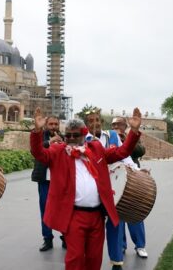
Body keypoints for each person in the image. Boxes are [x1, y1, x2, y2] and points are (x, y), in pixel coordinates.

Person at [30, 107, 143, 270]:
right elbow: (39, 153)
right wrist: (37, 131)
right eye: (68, 135)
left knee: (94, 258)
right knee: (75, 258)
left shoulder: (96, 148)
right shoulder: (58, 151)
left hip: (97, 215)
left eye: (75, 135)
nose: (70, 138)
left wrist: (133, 130)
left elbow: (122, 152)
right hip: (74, 216)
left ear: (84, 135)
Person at [83, 111, 138, 270]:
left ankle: (116, 262)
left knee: (116, 224)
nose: (96, 123)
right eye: (91, 120)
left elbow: (125, 156)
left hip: (113, 187)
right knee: (94, 229)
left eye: (98, 120)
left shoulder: (112, 136)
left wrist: (136, 169)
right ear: (87, 124)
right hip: (93, 189)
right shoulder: (83, 140)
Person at [111, 117, 149, 260]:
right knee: (118, 215)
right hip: (116, 179)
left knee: (134, 211)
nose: (115, 126)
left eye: (118, 124)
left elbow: (141, 151)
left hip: (133, 179)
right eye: (113, 124)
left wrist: (128, 140)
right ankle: (121, 245)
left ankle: (140, 245)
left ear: (124, 125)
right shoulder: (109, 137)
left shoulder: (132, 135)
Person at [32, 114, 65, 252]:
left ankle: (66, 237)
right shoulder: (41, 136)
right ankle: (47, 238)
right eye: (51, 124)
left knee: (64, 209)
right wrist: (50, 142)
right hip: (45, 180)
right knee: (45, 209)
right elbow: (34, 149)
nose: (53, 127)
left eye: (55, 124)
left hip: (60, 181)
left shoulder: (65, 138)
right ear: (46, 125)